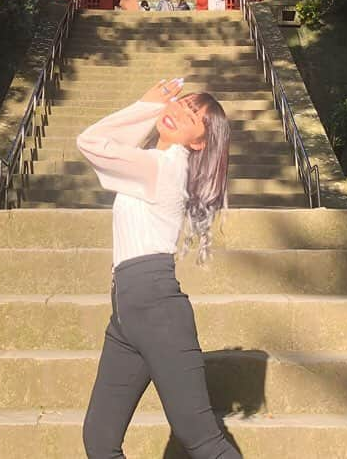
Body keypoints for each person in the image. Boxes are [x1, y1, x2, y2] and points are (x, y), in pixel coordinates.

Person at [77, 78, 240, 459]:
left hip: (155, 308)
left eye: (193, 116)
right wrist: (151, 112)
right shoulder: (151, 164)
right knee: (99, 439)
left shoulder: (163, 167)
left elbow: (91, 142)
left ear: (199, 142)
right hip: (127, 314)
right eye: (182, 104)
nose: (180, 113)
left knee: (202, 440)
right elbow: (111, 148)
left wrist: (146, 107)